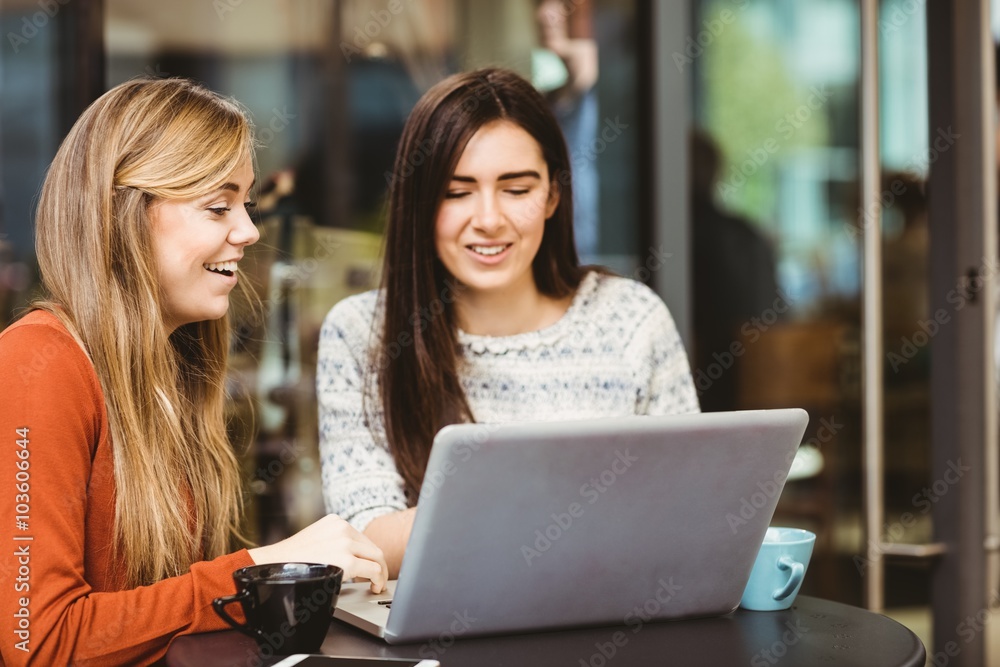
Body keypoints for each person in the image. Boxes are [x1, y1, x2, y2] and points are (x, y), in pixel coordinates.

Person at [0, 78, 387, 666]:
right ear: (122, 214)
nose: (249, 232)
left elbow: (160, 610)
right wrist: (256, 571)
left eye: (247, 204)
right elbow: (39, 642)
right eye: (217, 206)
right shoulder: (36, 365)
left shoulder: (169, 372)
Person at [318, 68, 699, 578]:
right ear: (418, 202)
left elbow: (690, 509)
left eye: (516, 189)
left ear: (553, 195)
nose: (490, 219)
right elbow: (365, 541)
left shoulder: (632, 319)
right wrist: (574, 505)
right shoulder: (362, 334)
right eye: (457, 193)